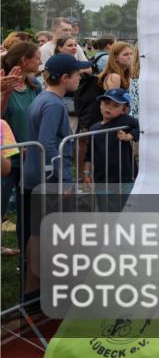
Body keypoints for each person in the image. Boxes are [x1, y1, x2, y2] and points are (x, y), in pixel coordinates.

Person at [21, 53, 91, 294]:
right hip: (47, 179)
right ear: (64, 78)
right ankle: (37, 290)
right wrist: (66, 180)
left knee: (37, 234)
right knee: (45, 236)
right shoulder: (53, 104)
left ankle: (33, 290)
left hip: (34, 177)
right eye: (77, 76)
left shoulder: (42, 98)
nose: (80, 80)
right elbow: (48, 143)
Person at [0, 42, 42, 257]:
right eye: (37, 57)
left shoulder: (36, 86)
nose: (41, 61)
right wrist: (5, 93)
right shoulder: (4, 84)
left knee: (27, 212)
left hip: (31, 158)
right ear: (24, 60)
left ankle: (27, 255)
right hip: (7, 159)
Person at [81, 89, 139, 210]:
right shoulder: (94, 128)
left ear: (124, 109)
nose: (109, 108)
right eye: (106, 103)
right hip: (102, 179)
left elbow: (140, 127)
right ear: (100, 104)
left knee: (126, 211)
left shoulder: (124, 120)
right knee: (105, 211)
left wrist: (128, 136)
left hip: (124, 179)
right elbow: (89, 153)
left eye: (116, 105)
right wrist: (86, 173)